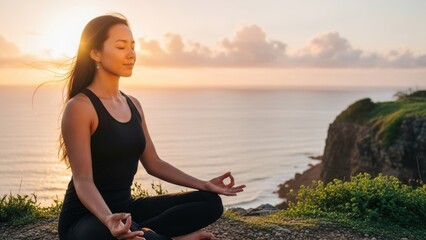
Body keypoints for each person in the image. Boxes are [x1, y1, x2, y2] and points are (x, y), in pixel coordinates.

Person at [57, 13, 246, 240]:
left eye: (132, 46)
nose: (131, 54)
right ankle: (169, 237)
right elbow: (83, 180)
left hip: (127, 208)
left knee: (210, 203)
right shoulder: (80, 107)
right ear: (95, 53)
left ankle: (144, 232)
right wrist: (108, 219)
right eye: (120, 47)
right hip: (87, 218)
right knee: (118, 234)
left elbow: (154, 163)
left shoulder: (133, 104)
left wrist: (204, 184)